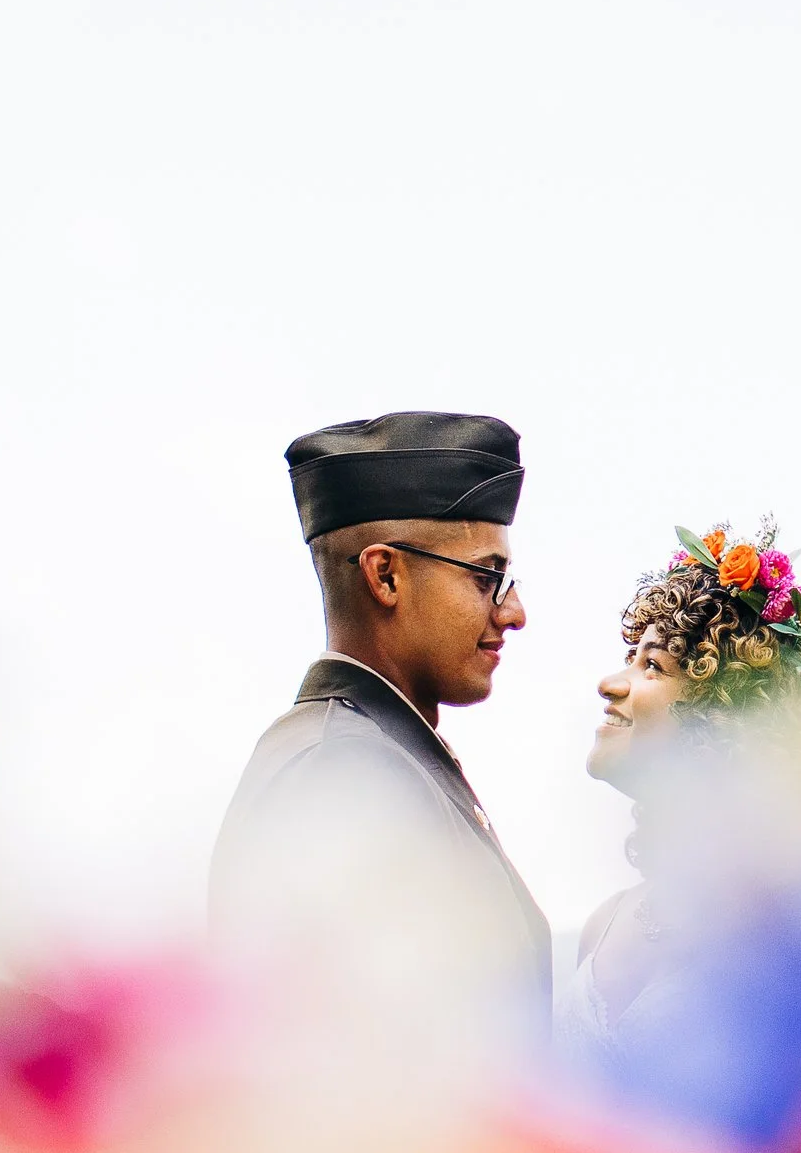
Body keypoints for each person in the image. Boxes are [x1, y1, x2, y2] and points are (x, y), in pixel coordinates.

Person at [211, 411, 553, 1035]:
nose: (515, 612)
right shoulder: (342, 769)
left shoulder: (374, 752)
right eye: (487, 577)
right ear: (385, 575)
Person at [563, 517, 801, 1052]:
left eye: (652, 665)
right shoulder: (603, 923)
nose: (609, 684)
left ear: (726, 714)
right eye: (629, 660)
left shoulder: (790, 934)